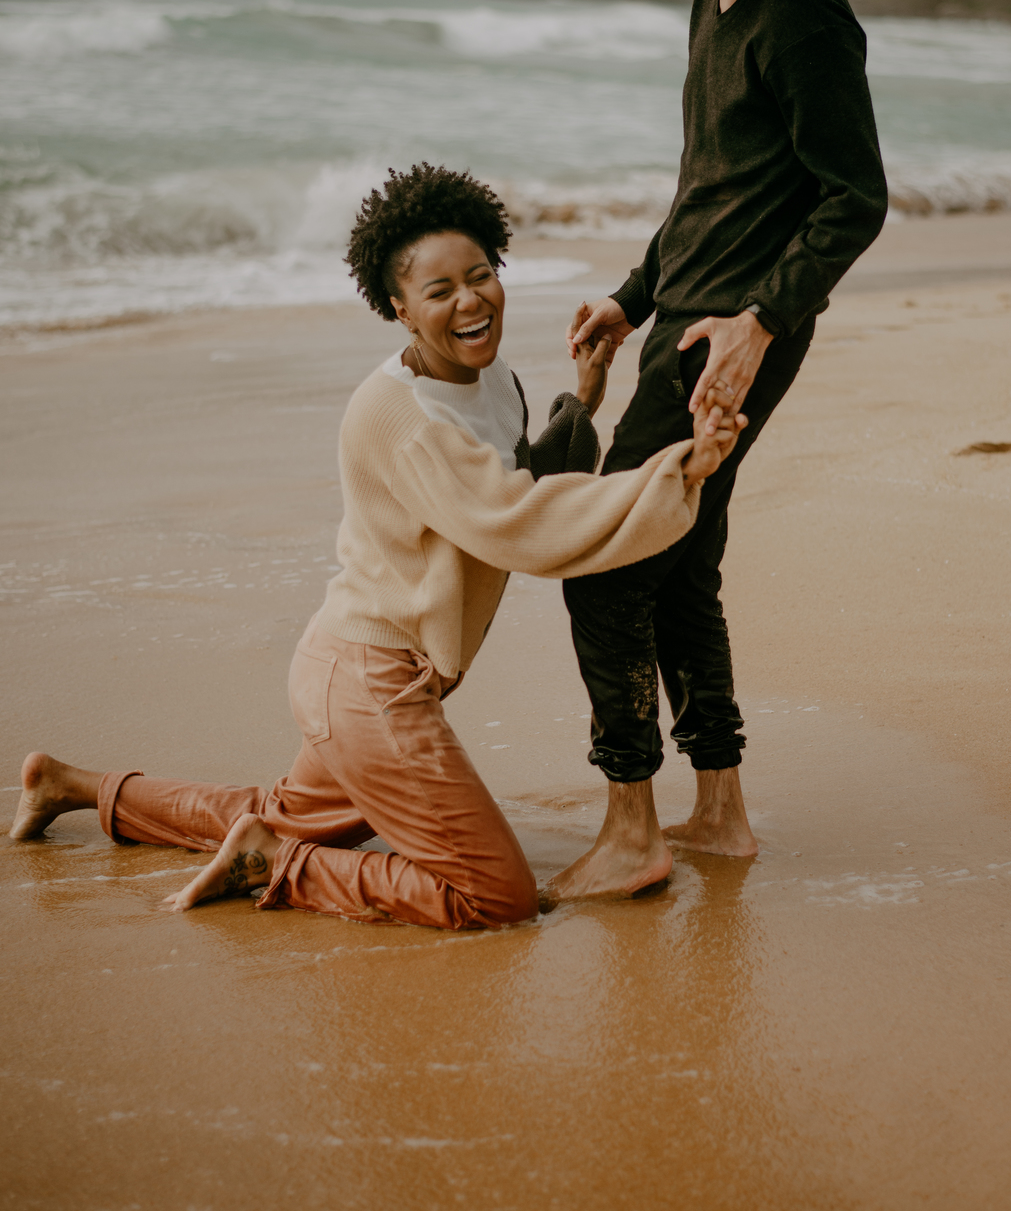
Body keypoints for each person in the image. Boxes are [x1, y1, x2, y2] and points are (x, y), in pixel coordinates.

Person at [12, 163, 745, 928]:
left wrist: (585, 398)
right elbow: (515, 521)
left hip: (355, 673)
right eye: (439, 291)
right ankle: (279, 864)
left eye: (481, 274)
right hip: (370, 686)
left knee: (277, 807)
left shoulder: (489, 378)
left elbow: (519, 474)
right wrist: (677, 470)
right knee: (497, 898)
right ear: (399, 308)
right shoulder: (403, 417)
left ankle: (74, 786)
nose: (470, 300)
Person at [542, 0, 890, 904]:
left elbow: (855, 197)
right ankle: (722, 814)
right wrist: (634, 295)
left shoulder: (806, 17)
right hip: (686, 323)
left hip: (735, 341)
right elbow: (712, 181)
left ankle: (631, 825)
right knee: (681, 561)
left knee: (604, 558)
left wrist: (762, 319)